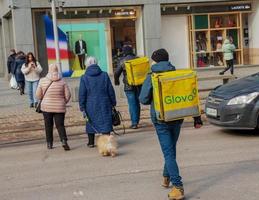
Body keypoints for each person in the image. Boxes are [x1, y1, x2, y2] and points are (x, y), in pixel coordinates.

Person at [139, 49, 203, 200]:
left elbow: (143, 99)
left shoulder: (152, 76)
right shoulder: (177, 74)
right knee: (171, 150)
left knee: (168, 152)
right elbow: (190, 96)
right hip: (176, 117)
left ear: (155, 61)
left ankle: (178, 187)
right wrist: (197, 118)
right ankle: (166, 177)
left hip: (160, 120)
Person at [79, 57, 116, 148]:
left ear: (86, 65)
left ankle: (91, 142)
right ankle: (107, 142)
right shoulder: (104, 75)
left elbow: (82, 93)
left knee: (90, 121)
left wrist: (82, 106)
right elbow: (110, 90)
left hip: (90, 103)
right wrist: (113, 102)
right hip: (105, 102)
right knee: (105, 121)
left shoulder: (84, 77)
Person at [36, 64, 71, 151]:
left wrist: (43, 99)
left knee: (48, 125)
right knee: (60, 125)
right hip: (60, 107)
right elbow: (68, 95)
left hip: (46, 107)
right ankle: (63, 141)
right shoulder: (62, 81)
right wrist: (63, 102)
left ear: (49, 70)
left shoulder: (42, 81)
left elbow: (38, 95)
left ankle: (49, 143)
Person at [114, 45, 141, 129]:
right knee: (137, 103)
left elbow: (116, 73)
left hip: (128, 85)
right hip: (138, 84)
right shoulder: (138, 59)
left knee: (132, 104)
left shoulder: (122, 60)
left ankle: (134, 123)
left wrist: (116, 81)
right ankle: (136, 120)